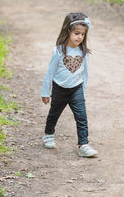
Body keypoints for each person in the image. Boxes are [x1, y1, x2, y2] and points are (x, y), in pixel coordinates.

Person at [41, 12, 97, 157]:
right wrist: (45, 92)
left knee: (81, 116)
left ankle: (83, 144)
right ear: (68, 32)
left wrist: (82, 91)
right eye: (76, 33)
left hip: (76, 89)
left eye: (83, 34)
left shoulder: (83, 52)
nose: (80, 37)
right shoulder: (59, 51)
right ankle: (48, 134)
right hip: (60, 88)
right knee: (54, 113)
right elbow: (50, 73)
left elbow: (85, 74)